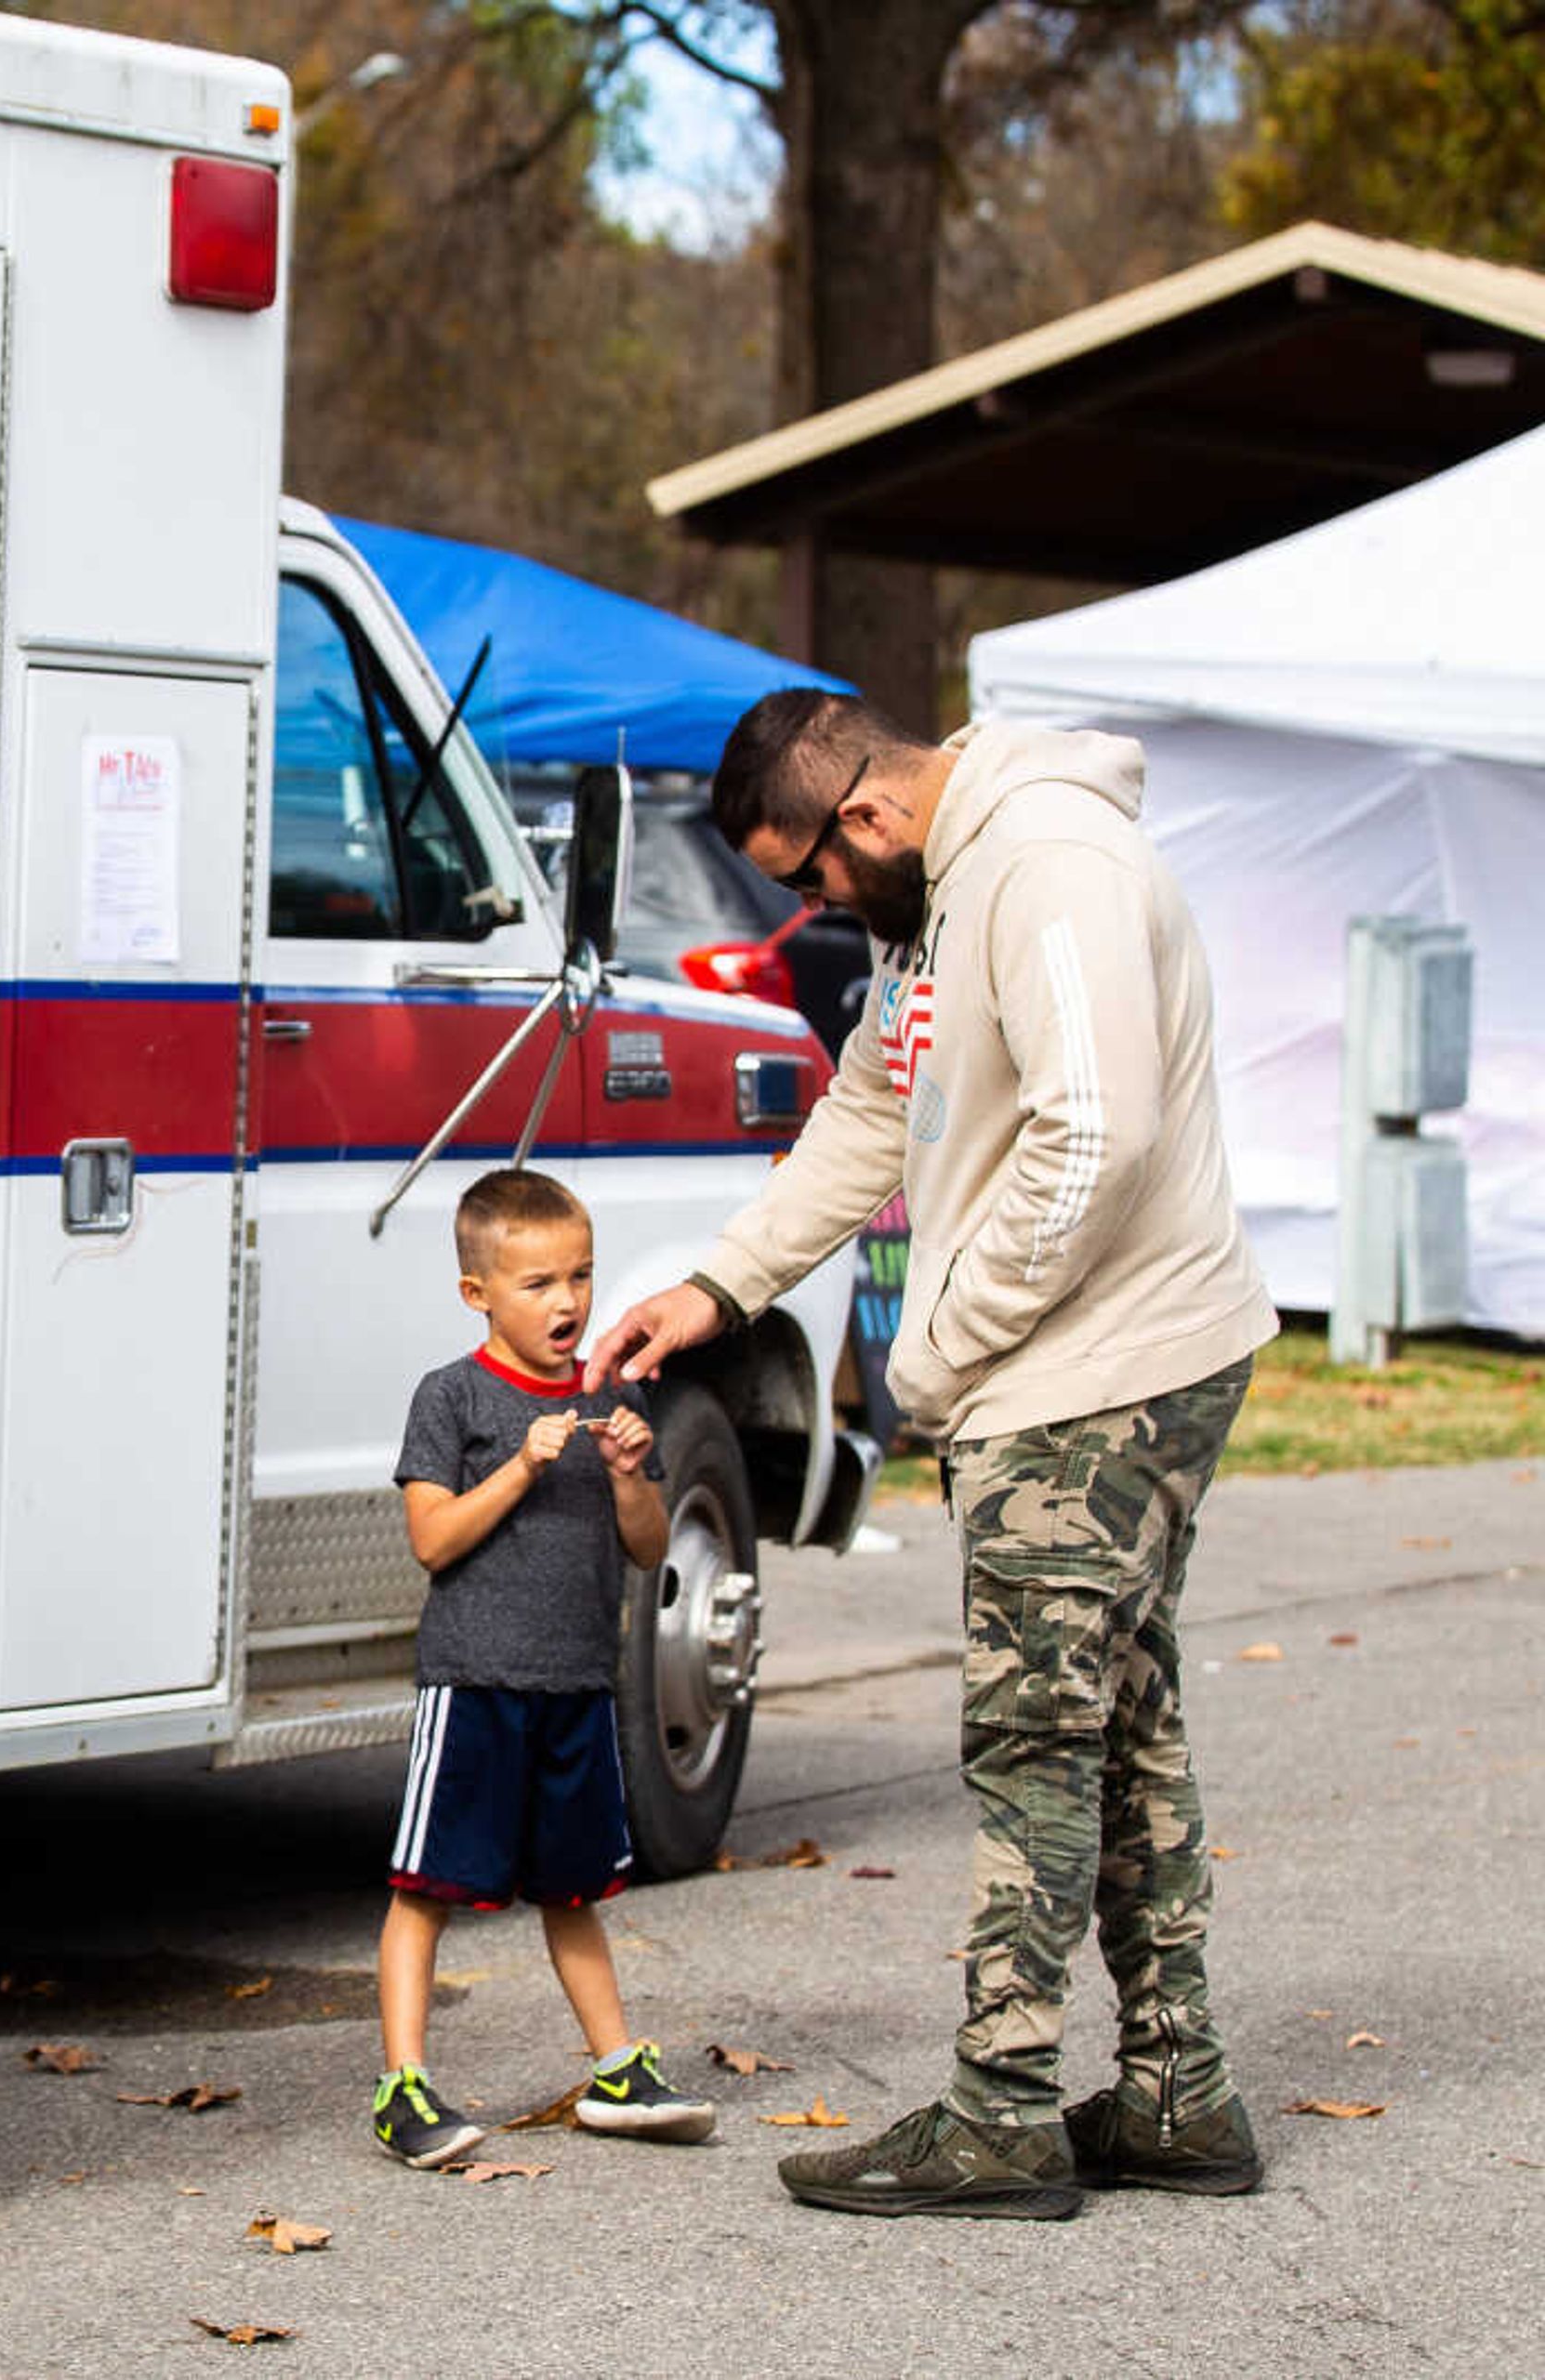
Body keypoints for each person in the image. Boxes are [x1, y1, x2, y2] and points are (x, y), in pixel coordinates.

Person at [583, 687, 1278, 2222]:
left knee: (1032, 1734)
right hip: (1084, 1359)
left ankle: (1004, 2107)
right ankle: (1176, 2087)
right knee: (1119, 1720)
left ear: (869, 817)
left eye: (805, 876)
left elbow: (1101, 1138)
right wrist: (722, 1284)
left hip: (1104, 1367)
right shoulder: (942, 897)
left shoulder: (1043, 865)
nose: (810, 905)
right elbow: (877, 1107)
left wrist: (936, 1350)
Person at [366, 1171, 720, 2170]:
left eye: (581, 1276)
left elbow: (647, 1546)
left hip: (576, 1682)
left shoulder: (611, 1395)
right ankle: (404, 2085)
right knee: (425, 1887)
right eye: (536, 1282)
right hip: (476, 1680)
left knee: (575, 1890)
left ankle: (616, 2066)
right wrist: (519, 1465)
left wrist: (625, 1473)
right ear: (479, 1291)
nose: (566, 1301)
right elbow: (433, 1539)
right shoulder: (454, 1394)